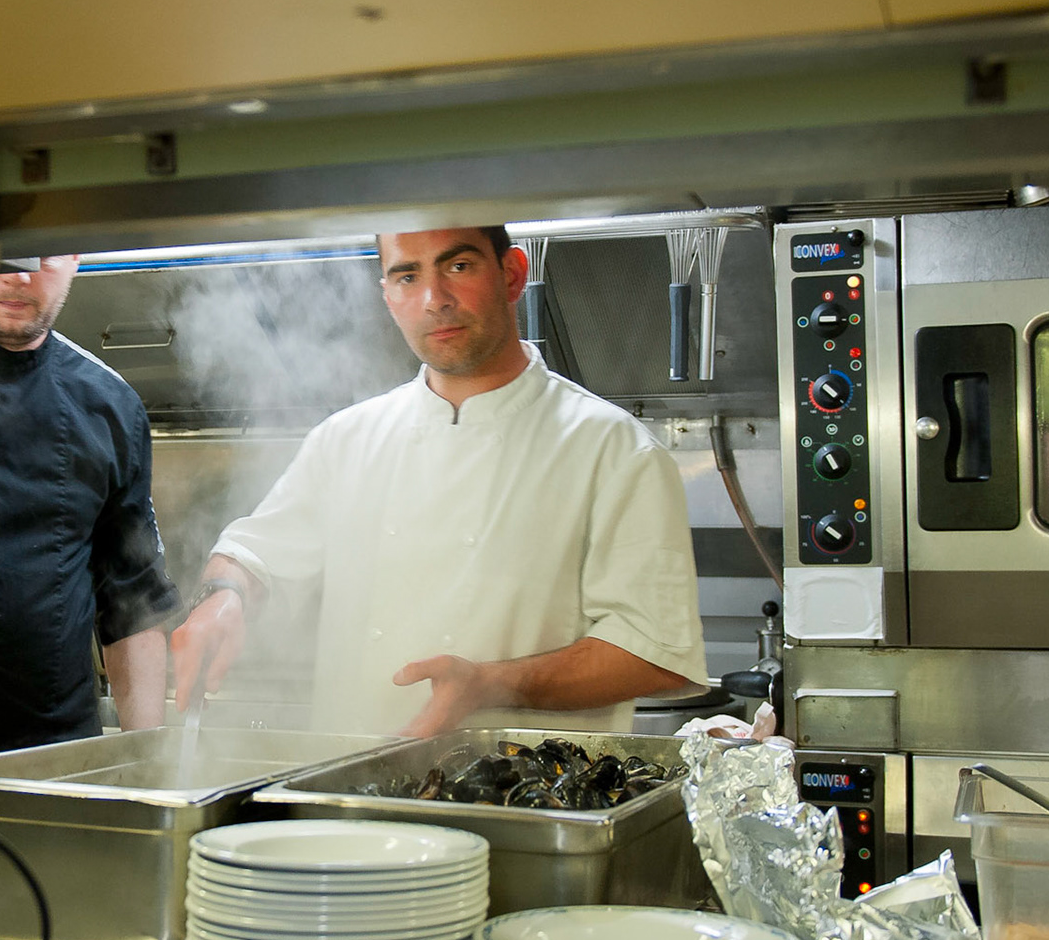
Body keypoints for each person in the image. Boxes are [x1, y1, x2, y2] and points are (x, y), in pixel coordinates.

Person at [169, 226, 705, 737]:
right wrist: (223, 598)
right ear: (388, 295)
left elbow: (653, 653)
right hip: (353, 800)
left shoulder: (614, 450)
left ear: (513, 274)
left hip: (521, 812)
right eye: (407, 276)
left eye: (459, 265)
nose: (433, 298)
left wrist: (491, 684)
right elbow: (255, 555)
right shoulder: (346, 440)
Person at [0, 254, 181, 752]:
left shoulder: (110, 404)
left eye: (44, 256)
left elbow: (132, 605)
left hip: (55, 754)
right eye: (4, 252)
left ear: (74, 259)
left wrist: (145, 767)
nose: (21, 276)